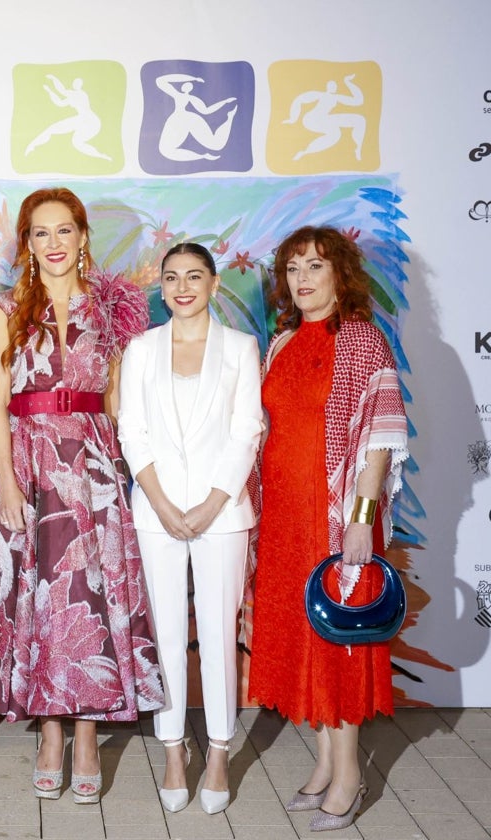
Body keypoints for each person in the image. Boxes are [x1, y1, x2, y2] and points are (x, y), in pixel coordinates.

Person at [0, 188, 163, 805]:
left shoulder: (116, 306)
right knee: (41, 603)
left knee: (92, 603)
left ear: (82, 237)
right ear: (26, 242)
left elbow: (121, 400)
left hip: (95, 469)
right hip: (30, 468)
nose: (53, 244)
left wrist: (130, 473)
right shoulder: (6, 306)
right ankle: (49, 734)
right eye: (40, 233)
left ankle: (88, 735)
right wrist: (9, 485)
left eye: (64, 230)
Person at [247, 227, 408, 832]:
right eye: (292, 268)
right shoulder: (281, 342)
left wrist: (362, 522)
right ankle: (322, 766)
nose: (303, 278)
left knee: (338, 644)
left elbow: (380, 445)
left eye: (315, 265)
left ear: (340, 272)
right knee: (304, 638)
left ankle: (350, 777)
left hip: (334, 514)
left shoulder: (363, 342)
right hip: (285, 518)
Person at [117, 243, 263, 814]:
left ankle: (221, 750)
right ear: (162, 285)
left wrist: (208, 505)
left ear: (214, 283)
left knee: (218, 639)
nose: (182, 287)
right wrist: (162, 502)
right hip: (156, 513)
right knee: (169, 635)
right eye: (171, 277)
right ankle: (174, 749)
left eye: (194, 276)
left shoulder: (240, 348)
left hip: (222, 515)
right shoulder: (142, 348)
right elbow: (133, 431)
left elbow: (246, 430)